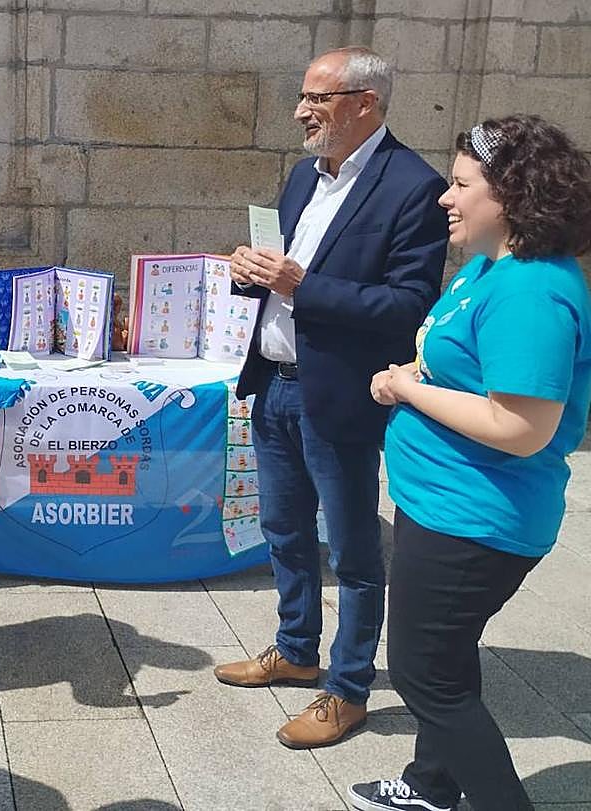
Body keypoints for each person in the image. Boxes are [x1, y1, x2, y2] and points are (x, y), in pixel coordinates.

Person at [350, 116, 591, 811]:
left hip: (477, 518)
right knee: (447, 656)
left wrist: (407, 389)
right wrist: (415, 374)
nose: (443, 198)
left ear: (512, 194)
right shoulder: (491, 265)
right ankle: (432, 784)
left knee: (426, 676)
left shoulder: (531, 292)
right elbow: (466, 373)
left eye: (460, 185)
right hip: (442, 501)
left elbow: (520, 427)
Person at [215, 46, 449, 749]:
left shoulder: (413, 186)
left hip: (342, 398)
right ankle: (295, 648)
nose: (300, 112)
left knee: (351, 551)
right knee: (284, 533)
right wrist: (250, 272)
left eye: (317, 99)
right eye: (305, 97)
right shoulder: (301, 176)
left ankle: (347, 687)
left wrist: (298, 284)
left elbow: (409, 304)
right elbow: (283, 274)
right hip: (275, 385)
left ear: (365, 103)